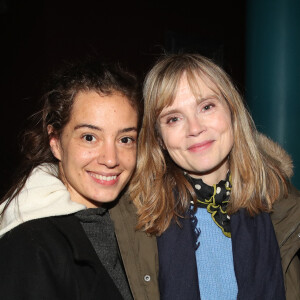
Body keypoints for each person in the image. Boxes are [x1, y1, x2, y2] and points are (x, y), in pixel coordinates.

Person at [130, 53, 300, 300]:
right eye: (174, 118)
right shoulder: (136, 214)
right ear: (159, 139)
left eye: (206, 107)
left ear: (232, 111)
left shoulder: (283, 204)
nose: (195, 128)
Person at [0, 60, 159, 299]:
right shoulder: (30, 245)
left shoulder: (134, 222)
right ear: (55, 142)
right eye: (89, 137)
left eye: (125, 139)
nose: (110, 159)